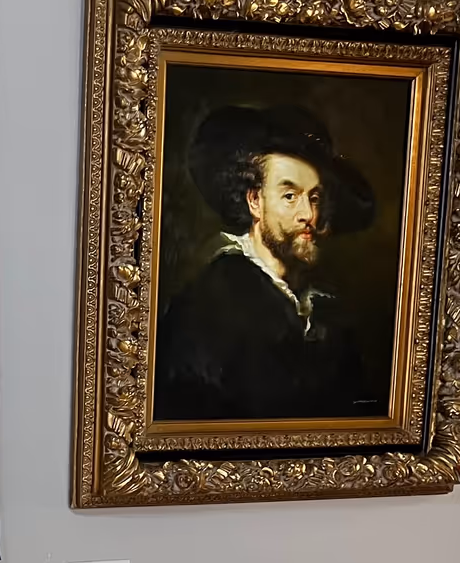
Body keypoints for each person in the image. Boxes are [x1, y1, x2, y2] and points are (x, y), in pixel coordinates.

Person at [153, 104, 385, 424]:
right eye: (289, 196)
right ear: (255, 201)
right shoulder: (207, 306)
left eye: (314, 198)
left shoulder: (328, 313)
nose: (309, 215)